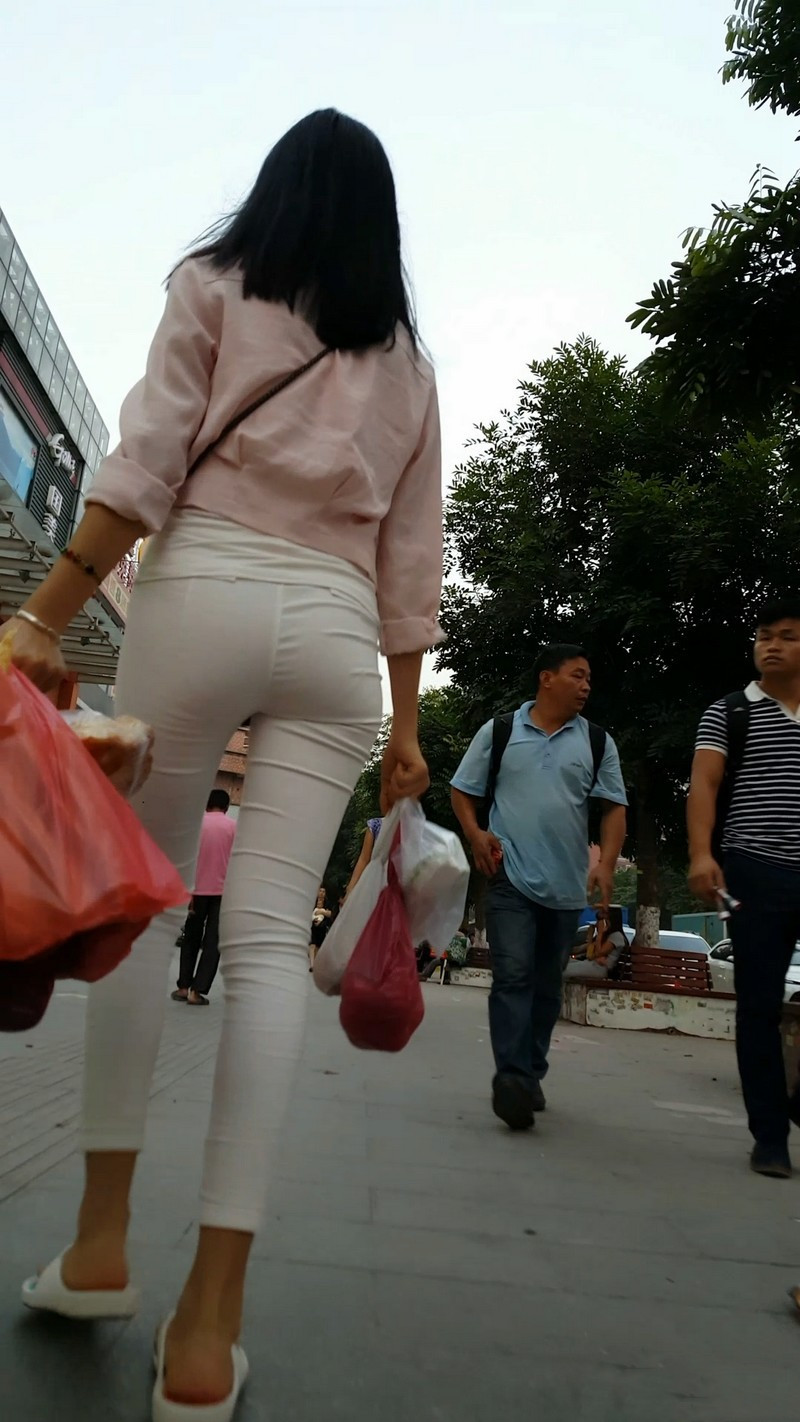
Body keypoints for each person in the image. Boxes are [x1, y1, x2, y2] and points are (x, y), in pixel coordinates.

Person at [4, 108, 440, 1421]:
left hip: (200, 593)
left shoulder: (214, 284)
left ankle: (98, 1248)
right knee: (263, 949)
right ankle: (210, 1327)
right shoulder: (409, 363)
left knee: (146, 920)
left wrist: (45, 611)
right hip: (339, 634)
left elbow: (144, 464)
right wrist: (406, 727)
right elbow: (412, 556)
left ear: (276, 192)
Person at [450, 644, 627, 1131]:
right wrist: (476, 834)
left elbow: (614, 806)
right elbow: (462, 789)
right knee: (512, 974)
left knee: (547, 986)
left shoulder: (597, 741)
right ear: (547, 678)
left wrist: (606, 864)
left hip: (567, 887)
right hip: (509, 876)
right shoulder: (501, 731)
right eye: (577, 675)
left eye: (589, 678)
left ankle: (530, 1071)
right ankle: (510, 1078)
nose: (586, 685)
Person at [688, 599, 800, 1180]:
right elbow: (704, 785)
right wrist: (701, 854)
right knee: (759, 1005)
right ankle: (770, 1137)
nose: (772, 645)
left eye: (787, 636)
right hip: (754, 869)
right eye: (764, 635)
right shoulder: (729, 712)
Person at [172, 790, 237, 1005]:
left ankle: (183, 987)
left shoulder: (195, 825)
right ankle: (197, 991)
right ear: (226, 807)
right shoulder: (233, 828)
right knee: (212, 942)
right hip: (222, 894)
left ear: (206, 804)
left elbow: (186, 857)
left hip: (195, 892)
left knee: (191, 937)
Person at [345, 814, 383, 896]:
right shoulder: (376, 825)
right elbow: (364, 859)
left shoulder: (411, 829)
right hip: (375, 884)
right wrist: (350, 889)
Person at [308, 886, 332, 967]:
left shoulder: (327, 903)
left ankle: (315, 963)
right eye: (320, 891)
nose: (321, 893)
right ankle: (312, 964)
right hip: (312, 927)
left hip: (322, 928)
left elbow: (329, 915)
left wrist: (321, 912)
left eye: (323, 891)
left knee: (318, 946)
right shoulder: (313, 901)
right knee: (312, 945)